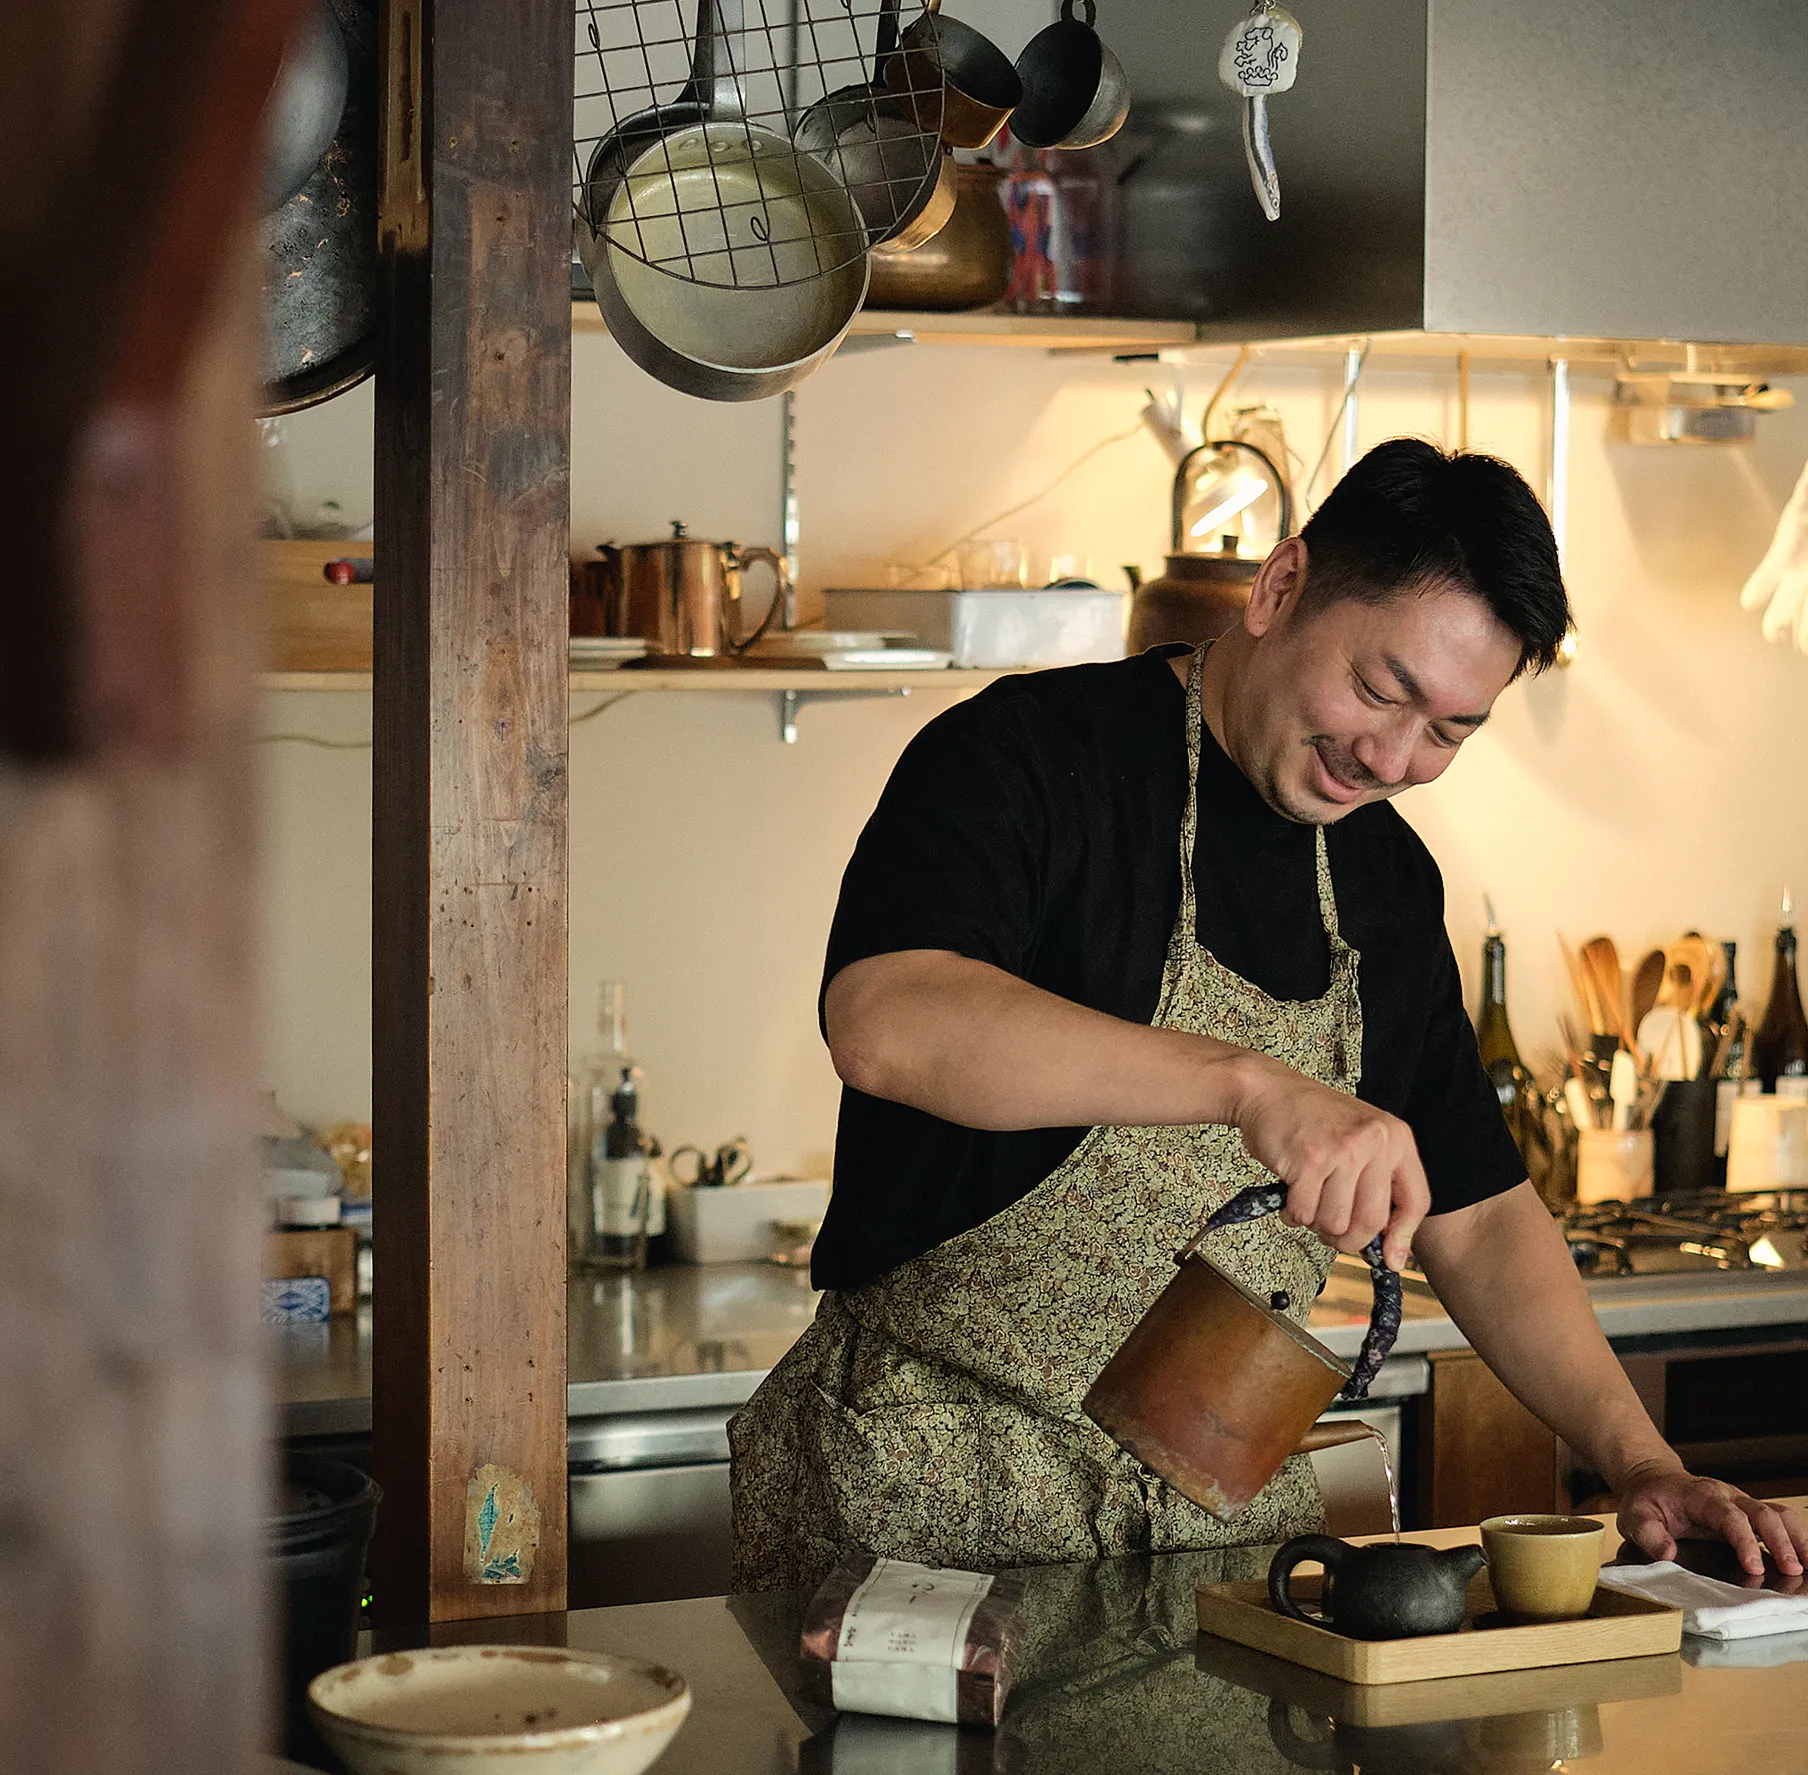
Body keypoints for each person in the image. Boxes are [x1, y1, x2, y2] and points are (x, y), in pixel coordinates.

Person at [729, 439, 1808, 1592]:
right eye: (1380, 690)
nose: (1390, 756)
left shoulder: (1385, 883)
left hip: (1210, 1548)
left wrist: (1639, 1458)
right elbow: (887, 1021)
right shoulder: (1025, 757)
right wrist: (1252, 1085)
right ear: (1279, 586)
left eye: (1448, 731)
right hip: (927, 1520)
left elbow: (1480, 1215)